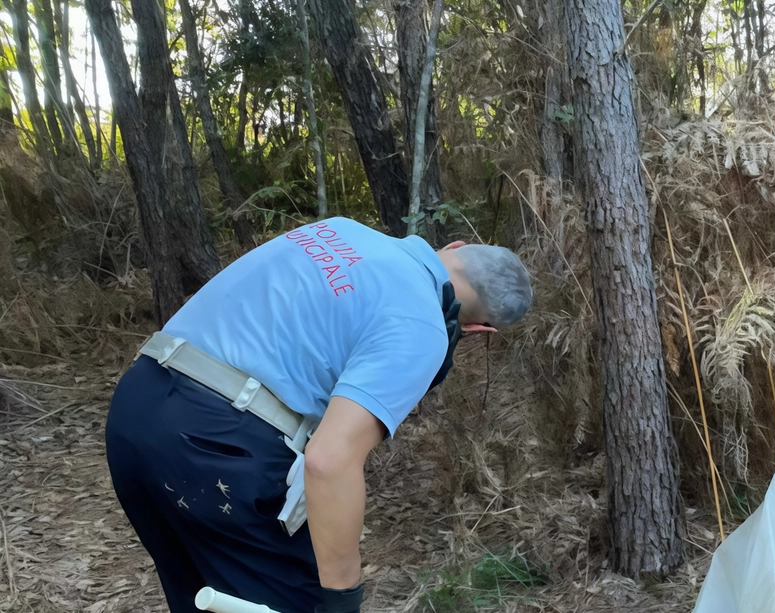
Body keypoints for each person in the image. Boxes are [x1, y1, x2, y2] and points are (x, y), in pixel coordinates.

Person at [104, 216, 533, 613]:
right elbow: (330, 459)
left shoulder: (340, 230)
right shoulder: (421, 326)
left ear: (453, 246)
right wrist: (342, 597)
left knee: (206, 600)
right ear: (480, 330)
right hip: (212, 446)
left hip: (138, 405)